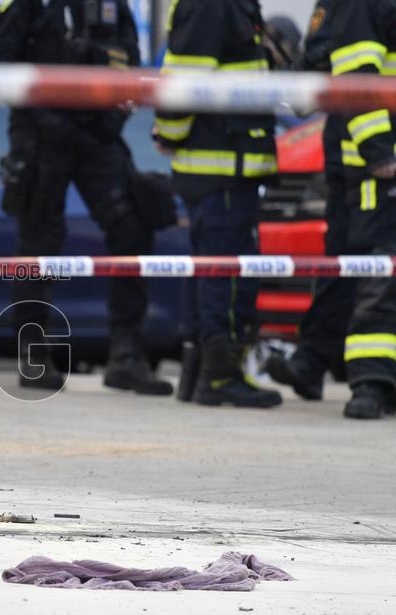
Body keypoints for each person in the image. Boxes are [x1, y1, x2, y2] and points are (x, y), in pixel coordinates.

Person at [0, 0, 173, 396]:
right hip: (40, 134)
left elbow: (129, 64)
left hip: (97, 132)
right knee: (38, 243)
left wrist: (112, 117)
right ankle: (35, 355)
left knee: (132, 227)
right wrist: (47, 118)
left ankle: (126, 355)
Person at [153, 0, 282, 408]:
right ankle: (220, 376)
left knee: (210, 270)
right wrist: (169, 134)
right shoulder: (211, 3)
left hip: (227, 165)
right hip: (220, 165)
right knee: (226, 275)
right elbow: (182, 83)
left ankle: (197, 373)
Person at [264, 0, 358, 402]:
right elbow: (309, 75)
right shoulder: (337, 8)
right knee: (342, 263)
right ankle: (313, 361)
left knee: (361, 266)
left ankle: (322, 364)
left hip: (369, 157)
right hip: (349, 156)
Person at [327, 0, 396, 419]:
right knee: (380, 278)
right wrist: (379, 153)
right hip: (383, 171)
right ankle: (370, 383)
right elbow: (357, 78)